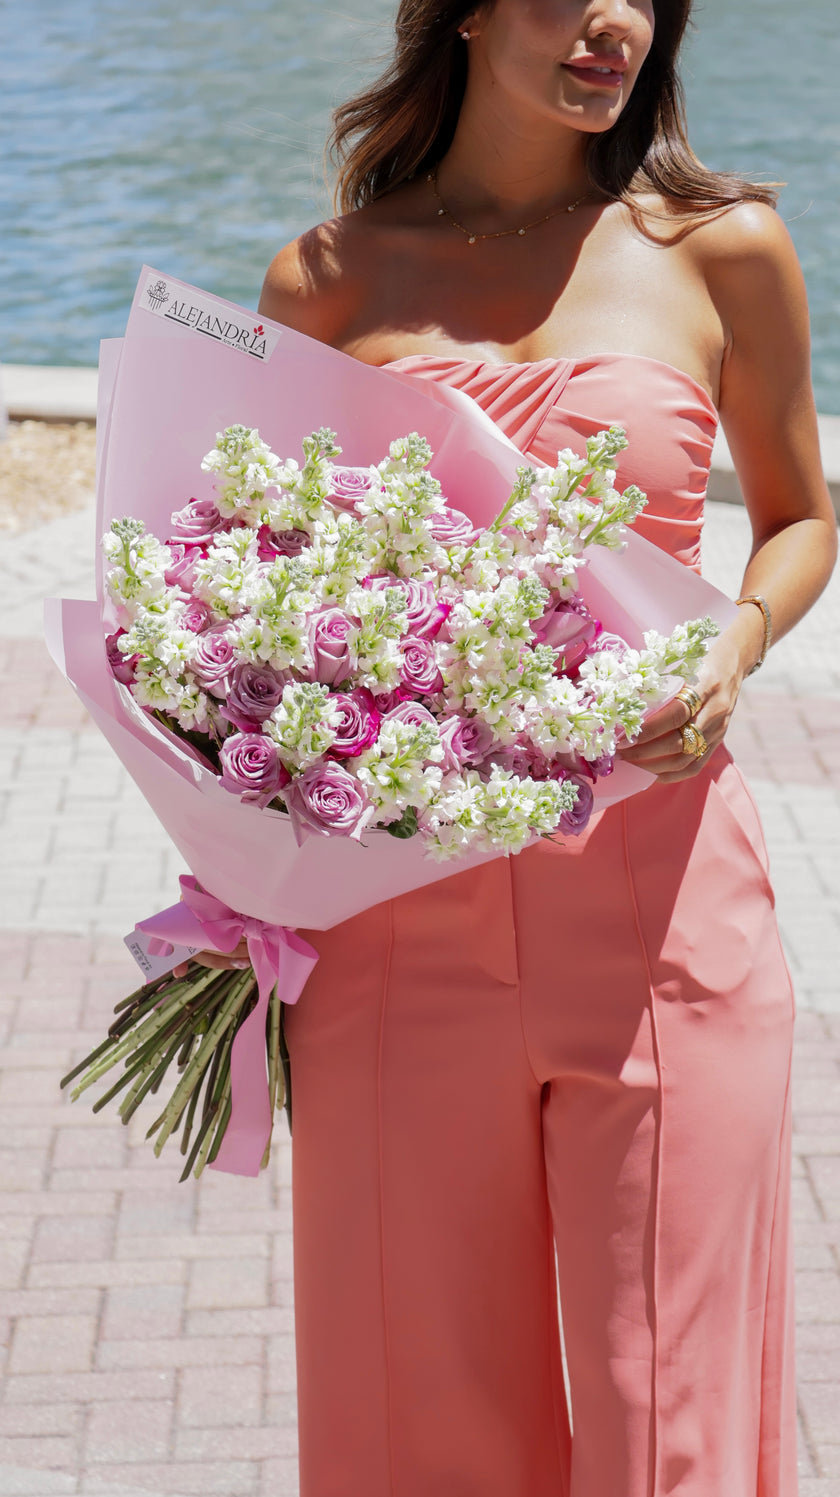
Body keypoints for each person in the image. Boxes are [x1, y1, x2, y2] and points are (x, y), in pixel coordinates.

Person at [192, 2, 838, 1492]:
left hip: (668, 908)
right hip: (400, 925)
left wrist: (730, 644)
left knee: (664, 1406)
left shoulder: (721, 246)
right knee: (419, 1408)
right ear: (469, 7)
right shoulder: (328, 278)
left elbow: (802, 516)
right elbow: (252, 569)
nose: (613, 17)